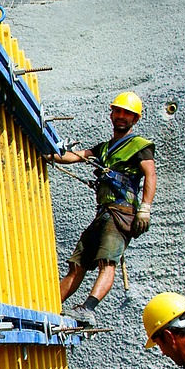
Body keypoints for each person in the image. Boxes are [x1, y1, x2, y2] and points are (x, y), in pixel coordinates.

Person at [44, 91, 157, 325]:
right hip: (104, 213)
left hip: (122, 214)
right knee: (77, 264)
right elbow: (76, 157)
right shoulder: (105, 148)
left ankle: (88, 309)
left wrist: (145, 208)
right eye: (118, 111)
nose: (122, 116)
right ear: (111, 114)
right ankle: (49, 307)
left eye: (128, 113)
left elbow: (150, 175)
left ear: (135, 119)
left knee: (107, 262)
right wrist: (47, 155)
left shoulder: (140, 146)